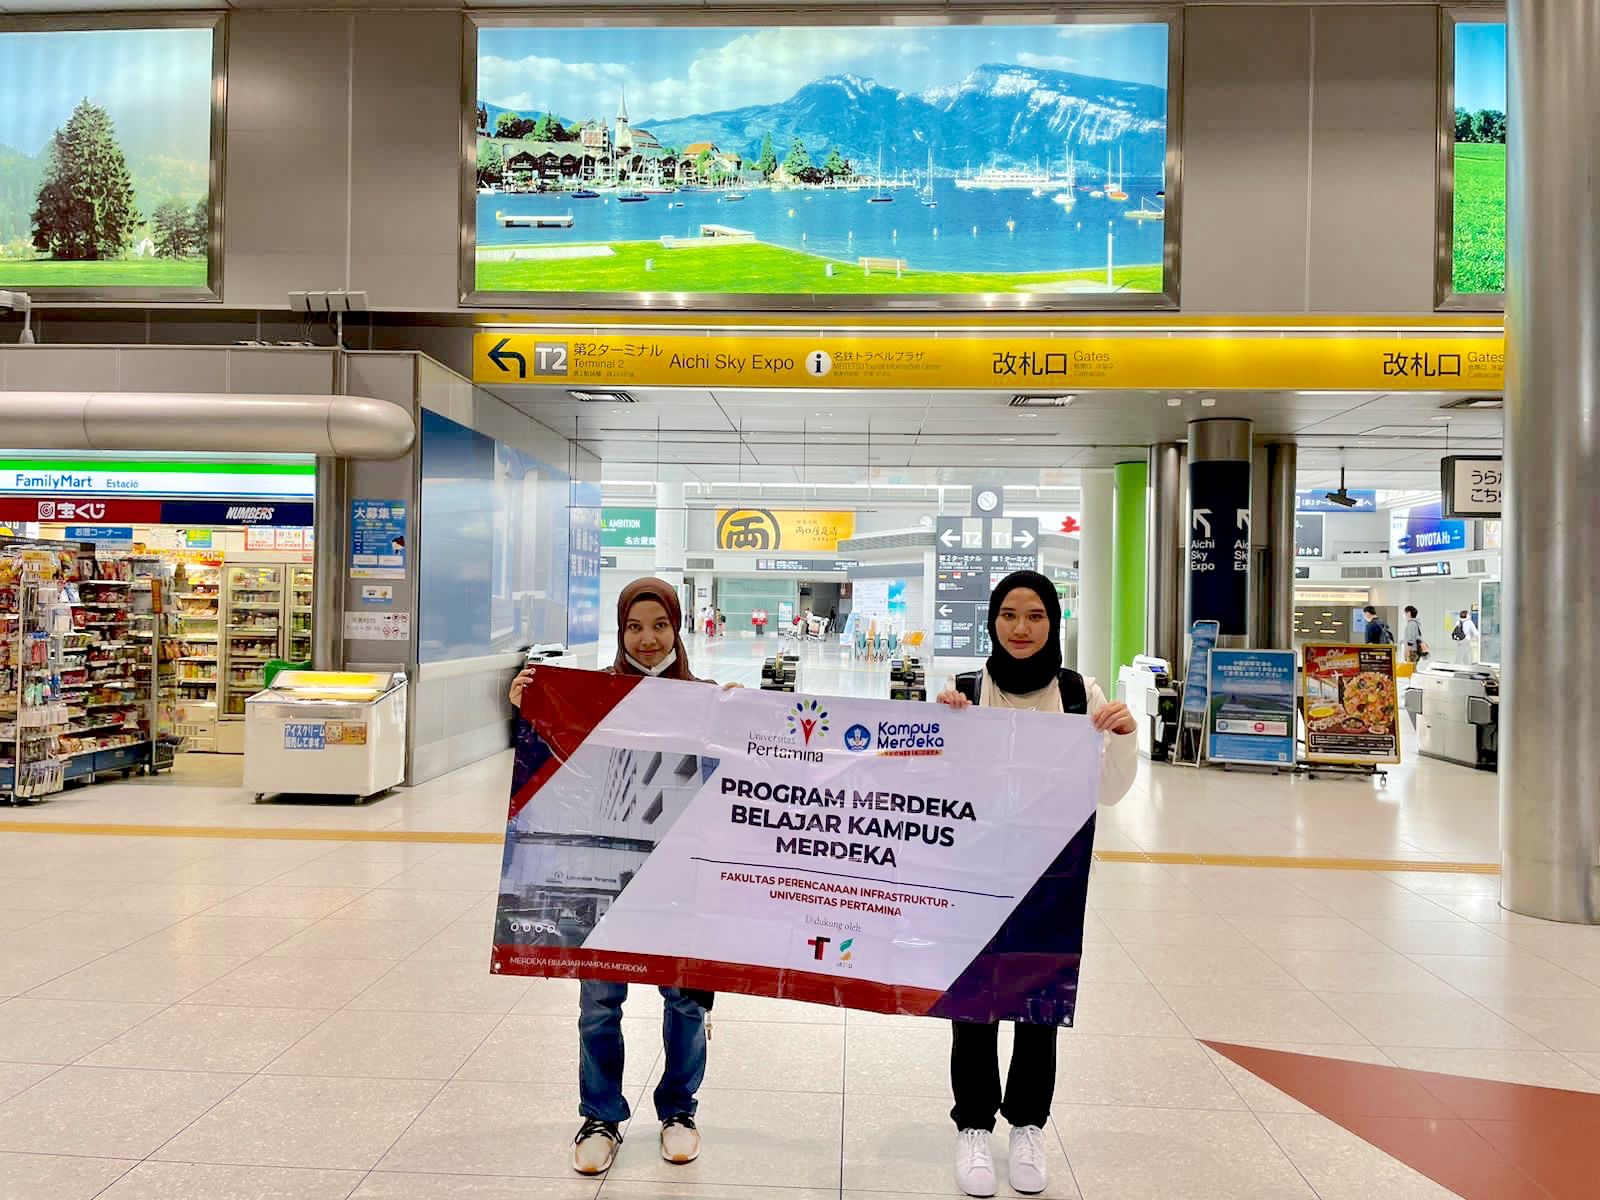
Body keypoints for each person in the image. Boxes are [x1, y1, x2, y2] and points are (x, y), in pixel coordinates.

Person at [508, 578, 739, 1177]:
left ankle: (679, 1110)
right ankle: (600, 1115)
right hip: (605, 878)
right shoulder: (591, 696)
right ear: (620, 630)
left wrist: (748, 720)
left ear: (677, 629)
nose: (647, 639)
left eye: (660, 626)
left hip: (680, 879)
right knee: (600, 1003)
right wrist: (528, 705)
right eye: (634, 627)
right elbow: (553, 765)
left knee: (685, 1002)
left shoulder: (707, 699)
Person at [933, 570, 1138, 1197]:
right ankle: (973, 1124)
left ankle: (1027, 1125)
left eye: (1036, 616)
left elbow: (1108, 791)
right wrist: (941, 729)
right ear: (992, 621)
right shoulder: (964, 689)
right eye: (1009, 615)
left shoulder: (1079, 693)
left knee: (1039, 999)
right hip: (974, 871)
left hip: (1051, 874)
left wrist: (1124, 738)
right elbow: (931, 790)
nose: (1021, 628)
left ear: (1054, 622)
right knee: (973, 1001)